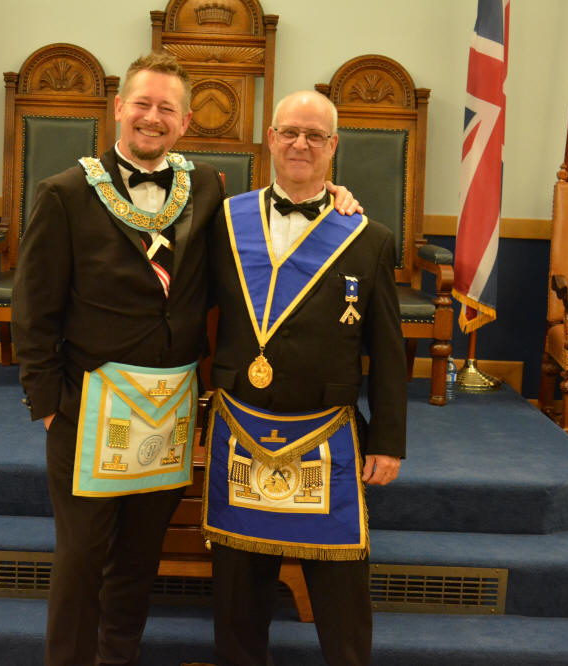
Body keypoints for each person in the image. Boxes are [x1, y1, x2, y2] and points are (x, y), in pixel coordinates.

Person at [12, 53, 358, 666]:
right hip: (87, 407)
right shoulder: (63, 193)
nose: (153, 117)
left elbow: (261, 244)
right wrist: (49, 407)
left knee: (139, 558)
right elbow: (33, 311)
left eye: (166, 108)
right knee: (82, 559)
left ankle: (117, 658)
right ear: (119, 108)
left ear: (186, 121)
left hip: (169, 410)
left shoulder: (205, 187)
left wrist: (331, 196)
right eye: (142, 104)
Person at [203, 90, 408, 666]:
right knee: (239, 593)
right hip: (240, 425)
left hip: (327, 432)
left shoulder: (367, 238)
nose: (301, 144)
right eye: (290, 132)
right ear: (270, 138)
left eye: (315, 135)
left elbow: (388, 352)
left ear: (333, 146)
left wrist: (388, 440)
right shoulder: (224, 221)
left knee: (342, 599)